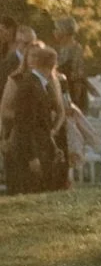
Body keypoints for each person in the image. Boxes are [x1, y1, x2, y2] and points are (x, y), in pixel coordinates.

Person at [2, 41, 67, 193]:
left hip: (39, 145)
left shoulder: (38, 83)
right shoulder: (30, 85)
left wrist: (52, 145)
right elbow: (25, 124)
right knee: (30, 188)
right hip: (30, 148)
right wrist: (32, 157)